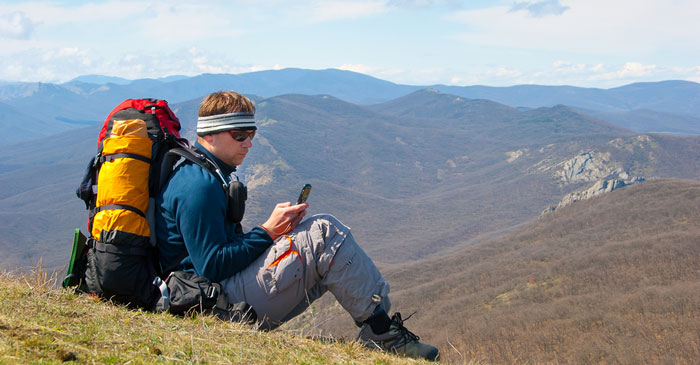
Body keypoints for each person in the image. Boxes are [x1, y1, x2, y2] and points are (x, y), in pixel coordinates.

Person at [155, 90, 439, 361]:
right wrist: (267, 232)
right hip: (211, 306)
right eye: (239, 135)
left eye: (251, 134)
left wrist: (275, 233)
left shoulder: (204, 174)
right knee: (324, 233)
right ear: (211, 134)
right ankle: (383, 336)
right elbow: (212, 266)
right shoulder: (198, 186)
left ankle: (382, 329)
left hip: (212, 297)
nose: (248, 143)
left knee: (321, 248)